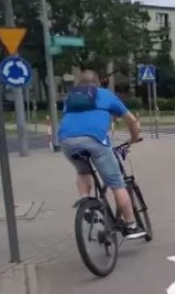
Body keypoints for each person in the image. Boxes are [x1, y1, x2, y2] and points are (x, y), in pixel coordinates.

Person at [58, 70, 144, 239]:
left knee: (82, 171)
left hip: (66, 141)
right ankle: (131, 225)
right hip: (95, 139)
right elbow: (131, 120)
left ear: (79, 84)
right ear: (97, 83)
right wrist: (133, 138)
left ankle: (86, 202)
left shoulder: (71, 98)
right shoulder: (105, 95)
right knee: (116, 183)